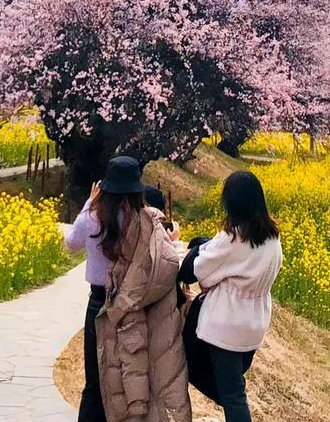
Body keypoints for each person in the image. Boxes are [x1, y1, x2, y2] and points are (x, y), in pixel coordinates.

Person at [64, 157, 191, 422]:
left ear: (105, 187)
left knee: (95, 383)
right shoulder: (144, 220)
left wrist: (89, 201)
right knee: (126, 385)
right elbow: (163, 262)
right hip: (133, 307)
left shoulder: (91, 217)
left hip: (99, 304)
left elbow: (71, 243)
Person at [178, 170, 283, 422]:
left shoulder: (233, 237)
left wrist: (203, 253)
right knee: (232, 389)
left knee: (232, 395)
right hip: (253, 325)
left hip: (224, 327)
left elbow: (198, 272)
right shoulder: (273, 237)